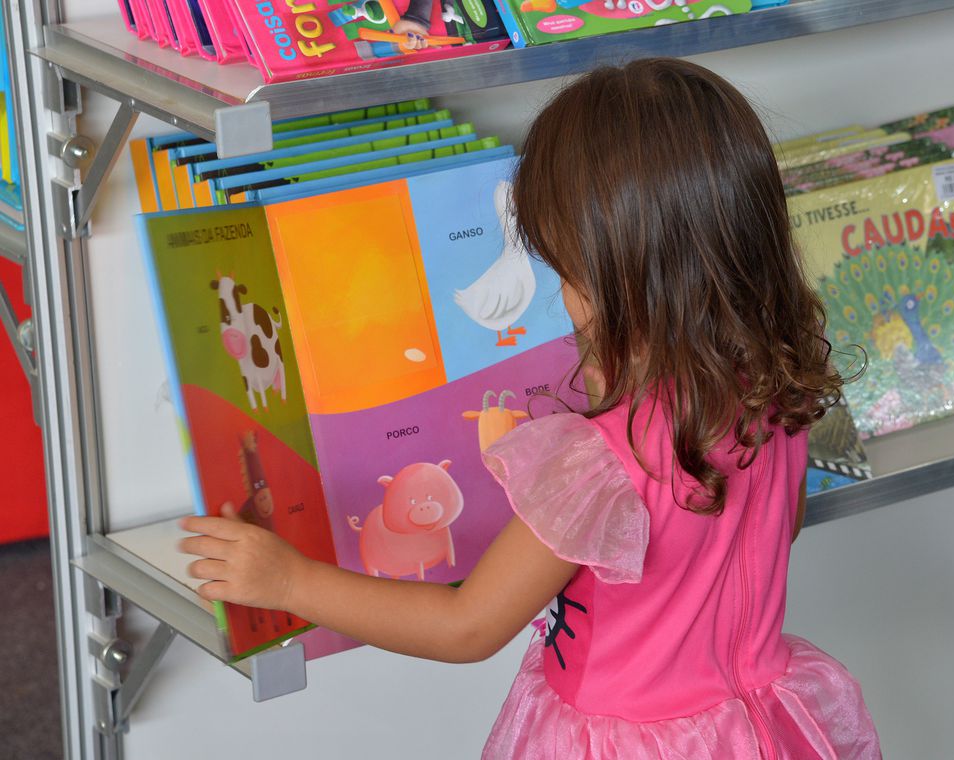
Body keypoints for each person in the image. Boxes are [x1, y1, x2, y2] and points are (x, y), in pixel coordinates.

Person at [180, 57, 881, 758]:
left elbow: (467, 627)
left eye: (568, 273)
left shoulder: (604, 461)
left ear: (626, 282)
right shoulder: (775, 394)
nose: (564, 301)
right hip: (752, 728)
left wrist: (289, 580)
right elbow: (771, 532)